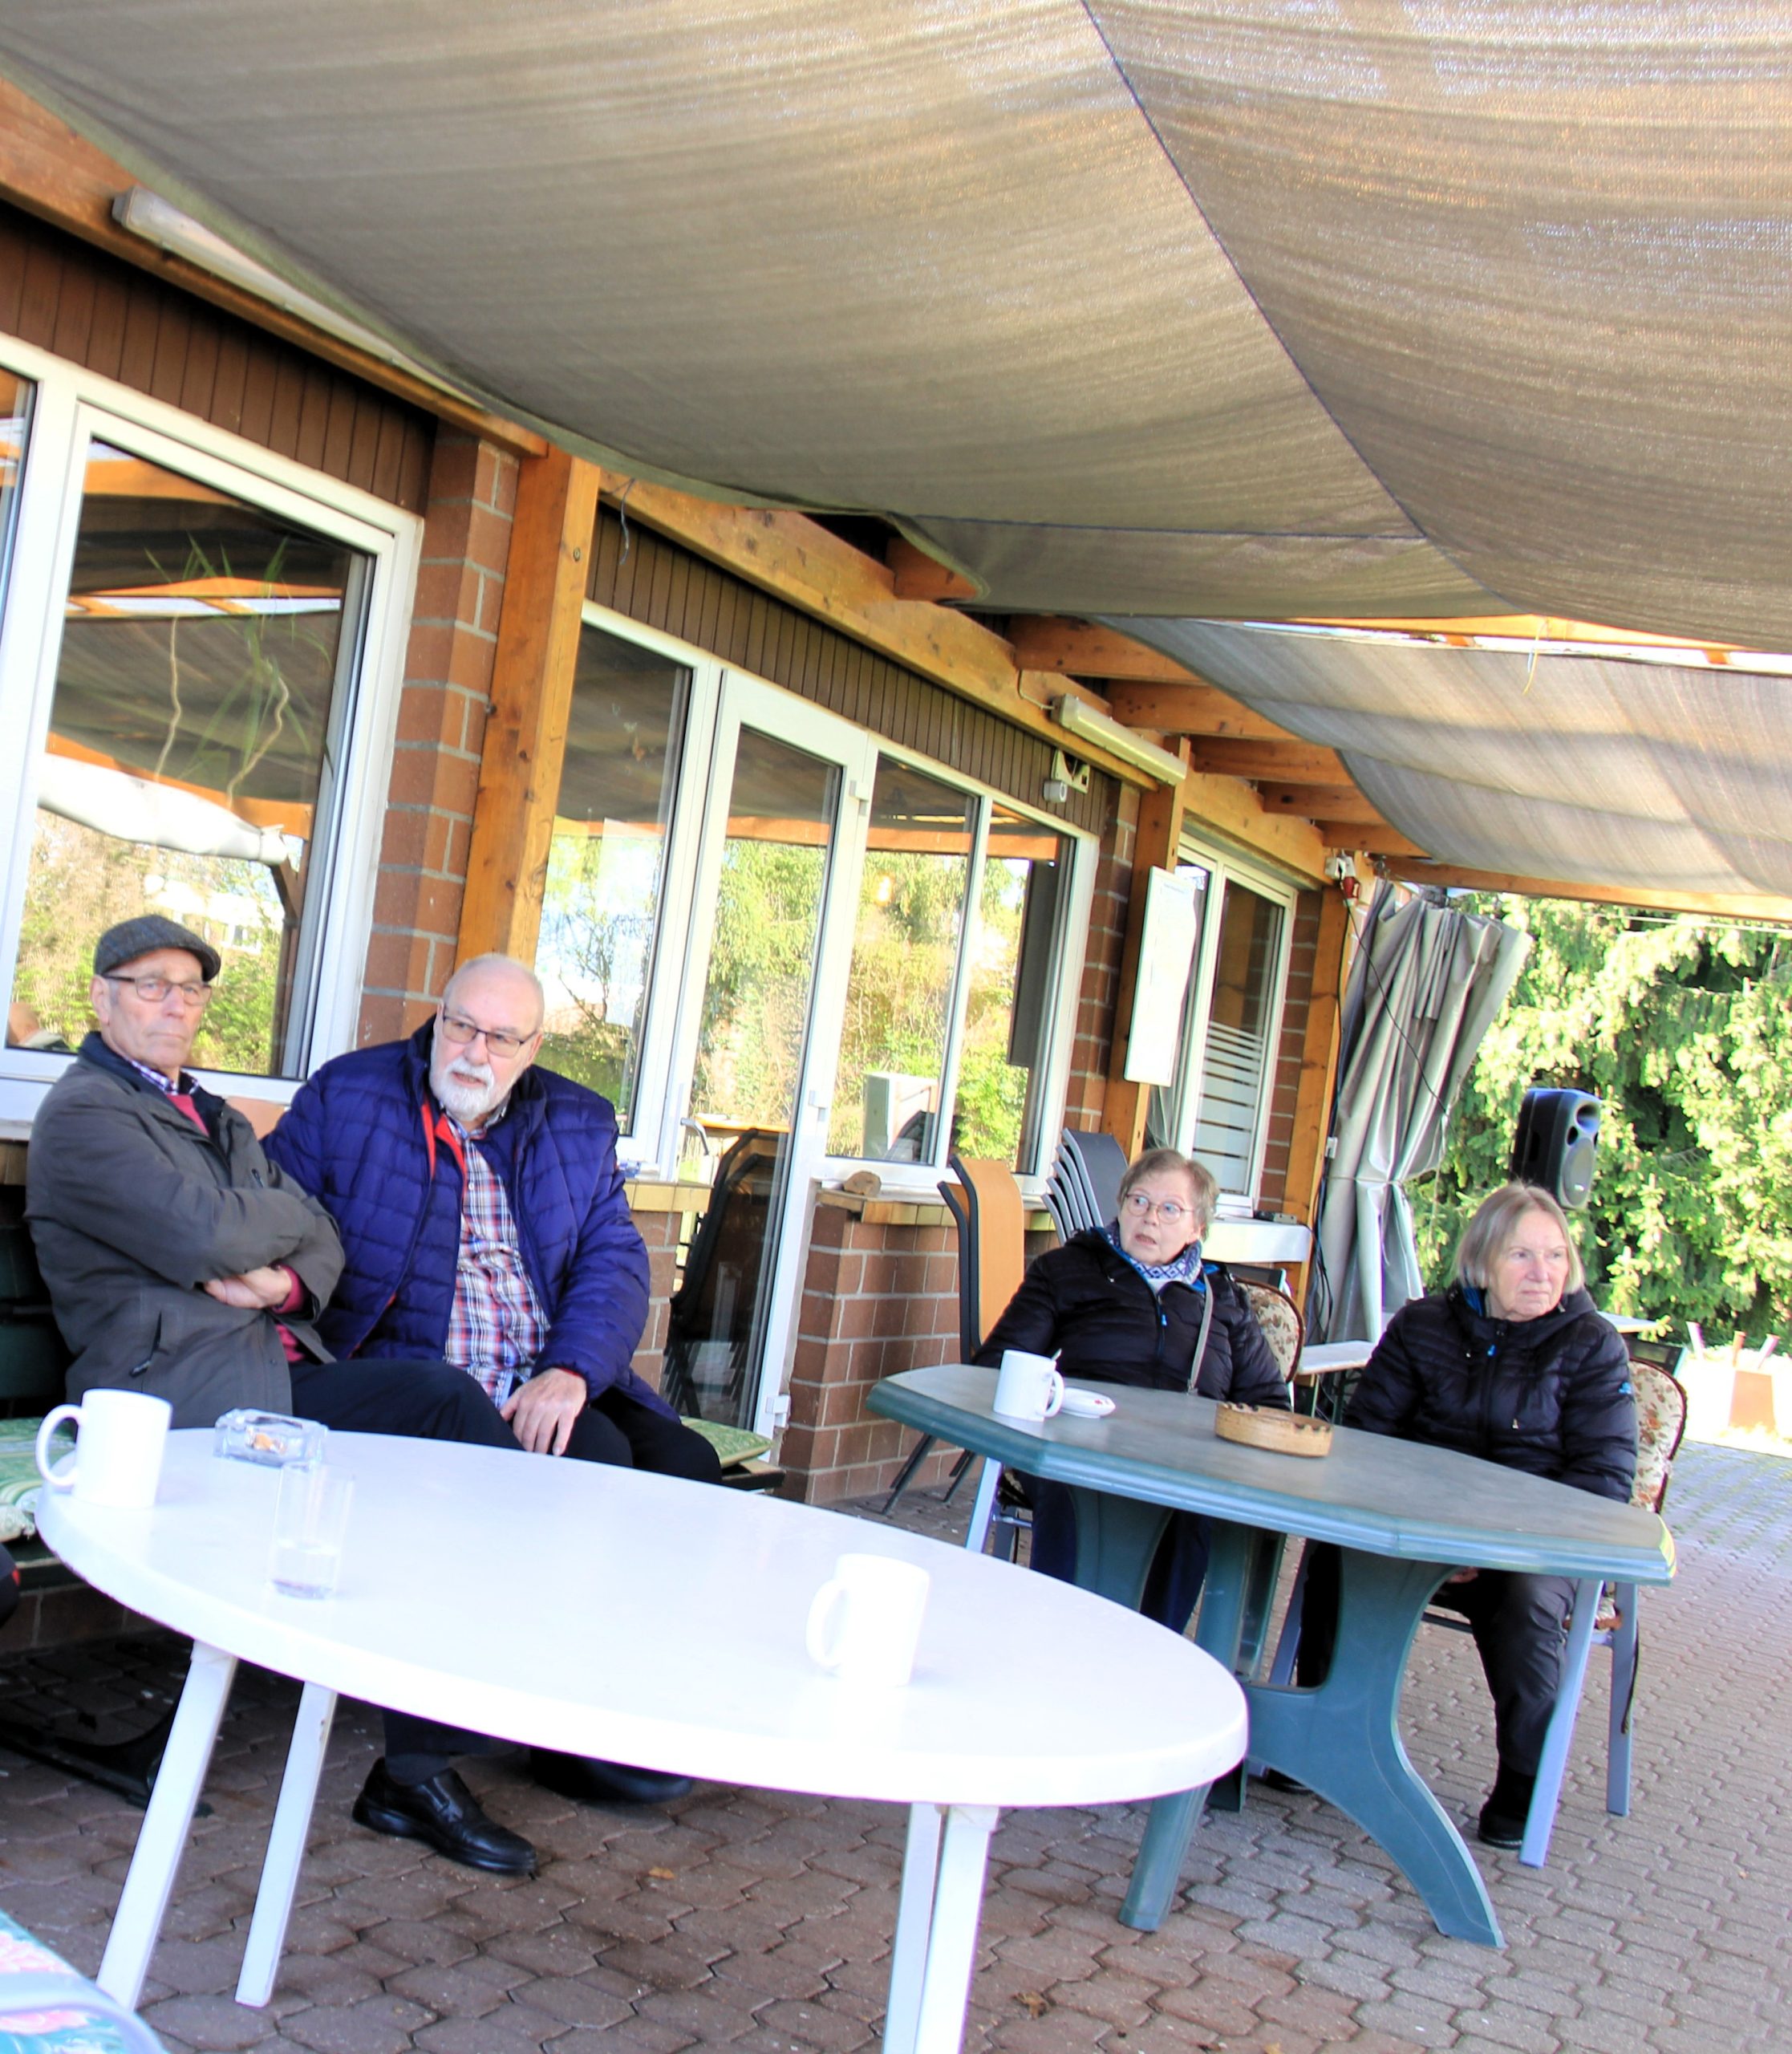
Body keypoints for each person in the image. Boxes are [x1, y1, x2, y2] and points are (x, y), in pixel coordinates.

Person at [22, 919, 672, 1882]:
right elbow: (204, 1235)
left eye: (190, 989)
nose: (173, 1004)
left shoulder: (210, 1113)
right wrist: (266, 1234)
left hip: (269, 1367)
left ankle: (479, 1735)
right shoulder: (87, 1113)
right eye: (149, 984)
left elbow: (319, 1237)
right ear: (99, 996)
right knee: (444, 1413)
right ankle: (426, 1761)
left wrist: (279, 1277)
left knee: (535, 1452)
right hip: (179, 1391)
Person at [1295, 1182, 1637, 1848]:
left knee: (1528, 1598)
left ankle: (1524, 1783)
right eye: (1522, 1255)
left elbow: (1602, 1482)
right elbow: (1367, 1443)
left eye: (1556, 1256)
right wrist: (1422, 1535)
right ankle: (1319, 1732)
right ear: (1482, 1260)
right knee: (1337, 1553)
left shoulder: (1591, 1345)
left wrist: (1493, 1547)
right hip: (1416, 1530)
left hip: (1532, 1548)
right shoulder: (1423, 1325)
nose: (1542, 1273)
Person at [975, 1146, 1288, 1630]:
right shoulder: (1067, 1270)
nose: (1150, 1218)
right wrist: (1052, 1398)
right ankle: (1054, 1636)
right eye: (1138, 1201)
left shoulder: (1223, 1298)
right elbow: (996, 1367)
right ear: (1120, 1206)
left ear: (1197, 1228)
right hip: (1078, 1447)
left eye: (1170, 1209)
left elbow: (1270, 1404)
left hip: (1183, 1462)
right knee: (1074, 1492)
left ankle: (1151, 1645)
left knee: (1192, 1510)